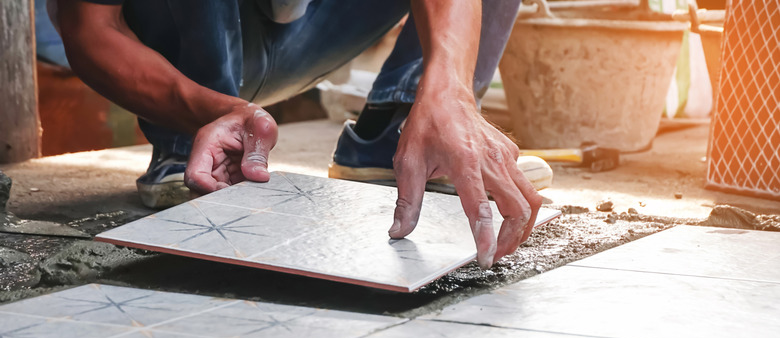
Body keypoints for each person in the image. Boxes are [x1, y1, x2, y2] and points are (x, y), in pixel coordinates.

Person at [53, 0, 542, 269]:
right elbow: (91, 27)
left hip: (315, 30)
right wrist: (210, 110)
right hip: (187, 39)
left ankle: (407, 130)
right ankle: (199, 145)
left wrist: (448, 92)